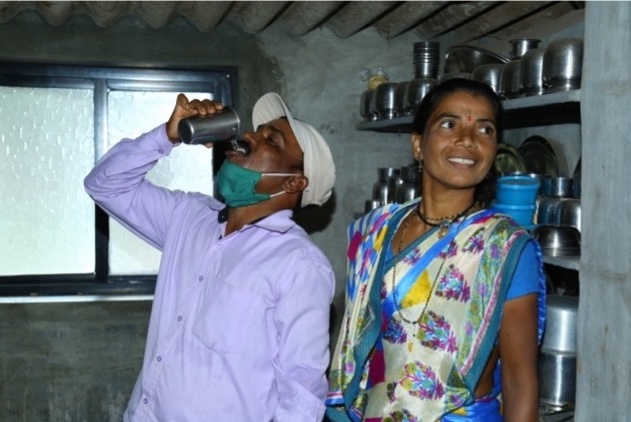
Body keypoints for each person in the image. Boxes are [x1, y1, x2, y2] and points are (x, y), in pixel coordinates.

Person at [84, 92, 336, 421]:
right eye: (257, 130)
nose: (249, 136)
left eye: (270, 140)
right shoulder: (188, 217)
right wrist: (167, 135)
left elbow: (301, 392)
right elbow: (105, 185)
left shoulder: (299, 265)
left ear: (293, 182)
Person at [325, 78, 546, 422]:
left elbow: (521, 383)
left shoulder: (502, 247)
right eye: (449, 124)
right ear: (418, 144)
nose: (468, 140)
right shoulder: (377, 231)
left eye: (485, 129)